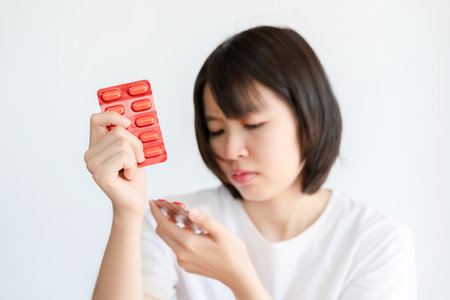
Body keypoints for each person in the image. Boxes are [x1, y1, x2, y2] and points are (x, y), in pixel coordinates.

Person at [85, 26, 417, 300]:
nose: (230, 150)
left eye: (253, 125)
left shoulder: (376, 243)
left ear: (310, 117)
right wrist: (126, 215)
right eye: (216, 129)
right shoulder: (172, 225)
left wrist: (241, 282)